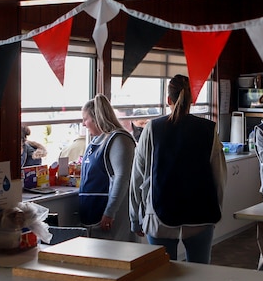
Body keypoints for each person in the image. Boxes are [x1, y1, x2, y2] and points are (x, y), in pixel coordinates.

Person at [129, 74, 226, 263]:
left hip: (159, 214)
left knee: (163, 276)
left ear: (168, 100)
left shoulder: (152, 128)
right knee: (199, 275)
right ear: (193, 100)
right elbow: (219, 177)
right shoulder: (208, 129)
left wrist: (135, 216)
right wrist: (216, 211)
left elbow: (137, 176)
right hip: (201, 214)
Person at [78, 94, 137, 241]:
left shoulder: (119, 139)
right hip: (92, 212)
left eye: (85, 119)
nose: (83, 124)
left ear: (96, 118)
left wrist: (110, 212)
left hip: (113, 215)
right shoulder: (97, 140)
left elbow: (122, 178)